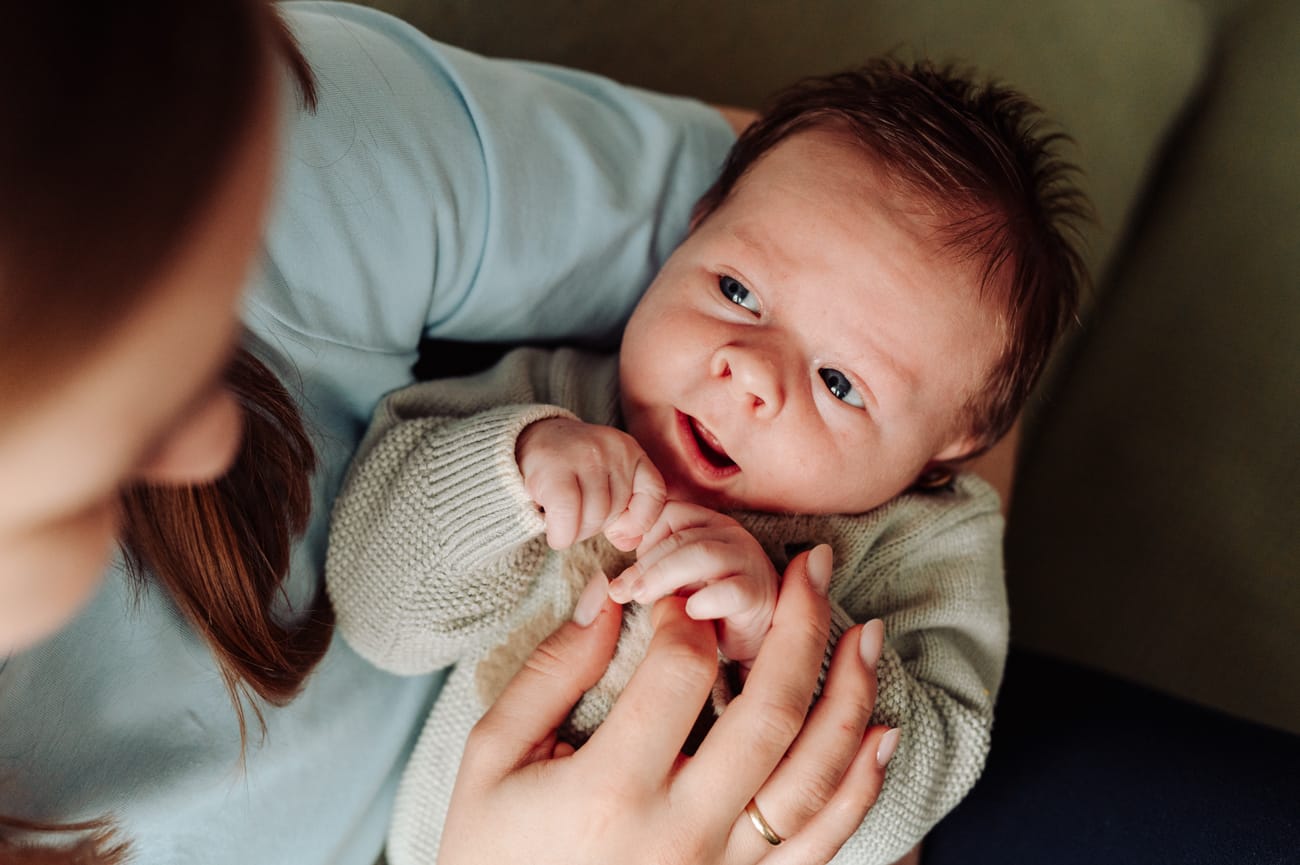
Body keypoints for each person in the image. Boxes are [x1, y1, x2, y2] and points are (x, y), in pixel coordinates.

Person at [0, 2, 896, 863]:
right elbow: (384, 604)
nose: (214, 442)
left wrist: (839, 757)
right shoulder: (550, 405)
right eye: (119, 393)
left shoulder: (262, 115)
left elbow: (897, 261)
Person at [325, 60, 1087, 865]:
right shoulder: (557, 402)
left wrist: (787, 642)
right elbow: (376, 613)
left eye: (838, 383)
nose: (750, 370)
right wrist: (509, 475)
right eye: (737, 289)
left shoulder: (927, 542)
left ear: (951, 447)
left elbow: (918, 784)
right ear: (692, 232)